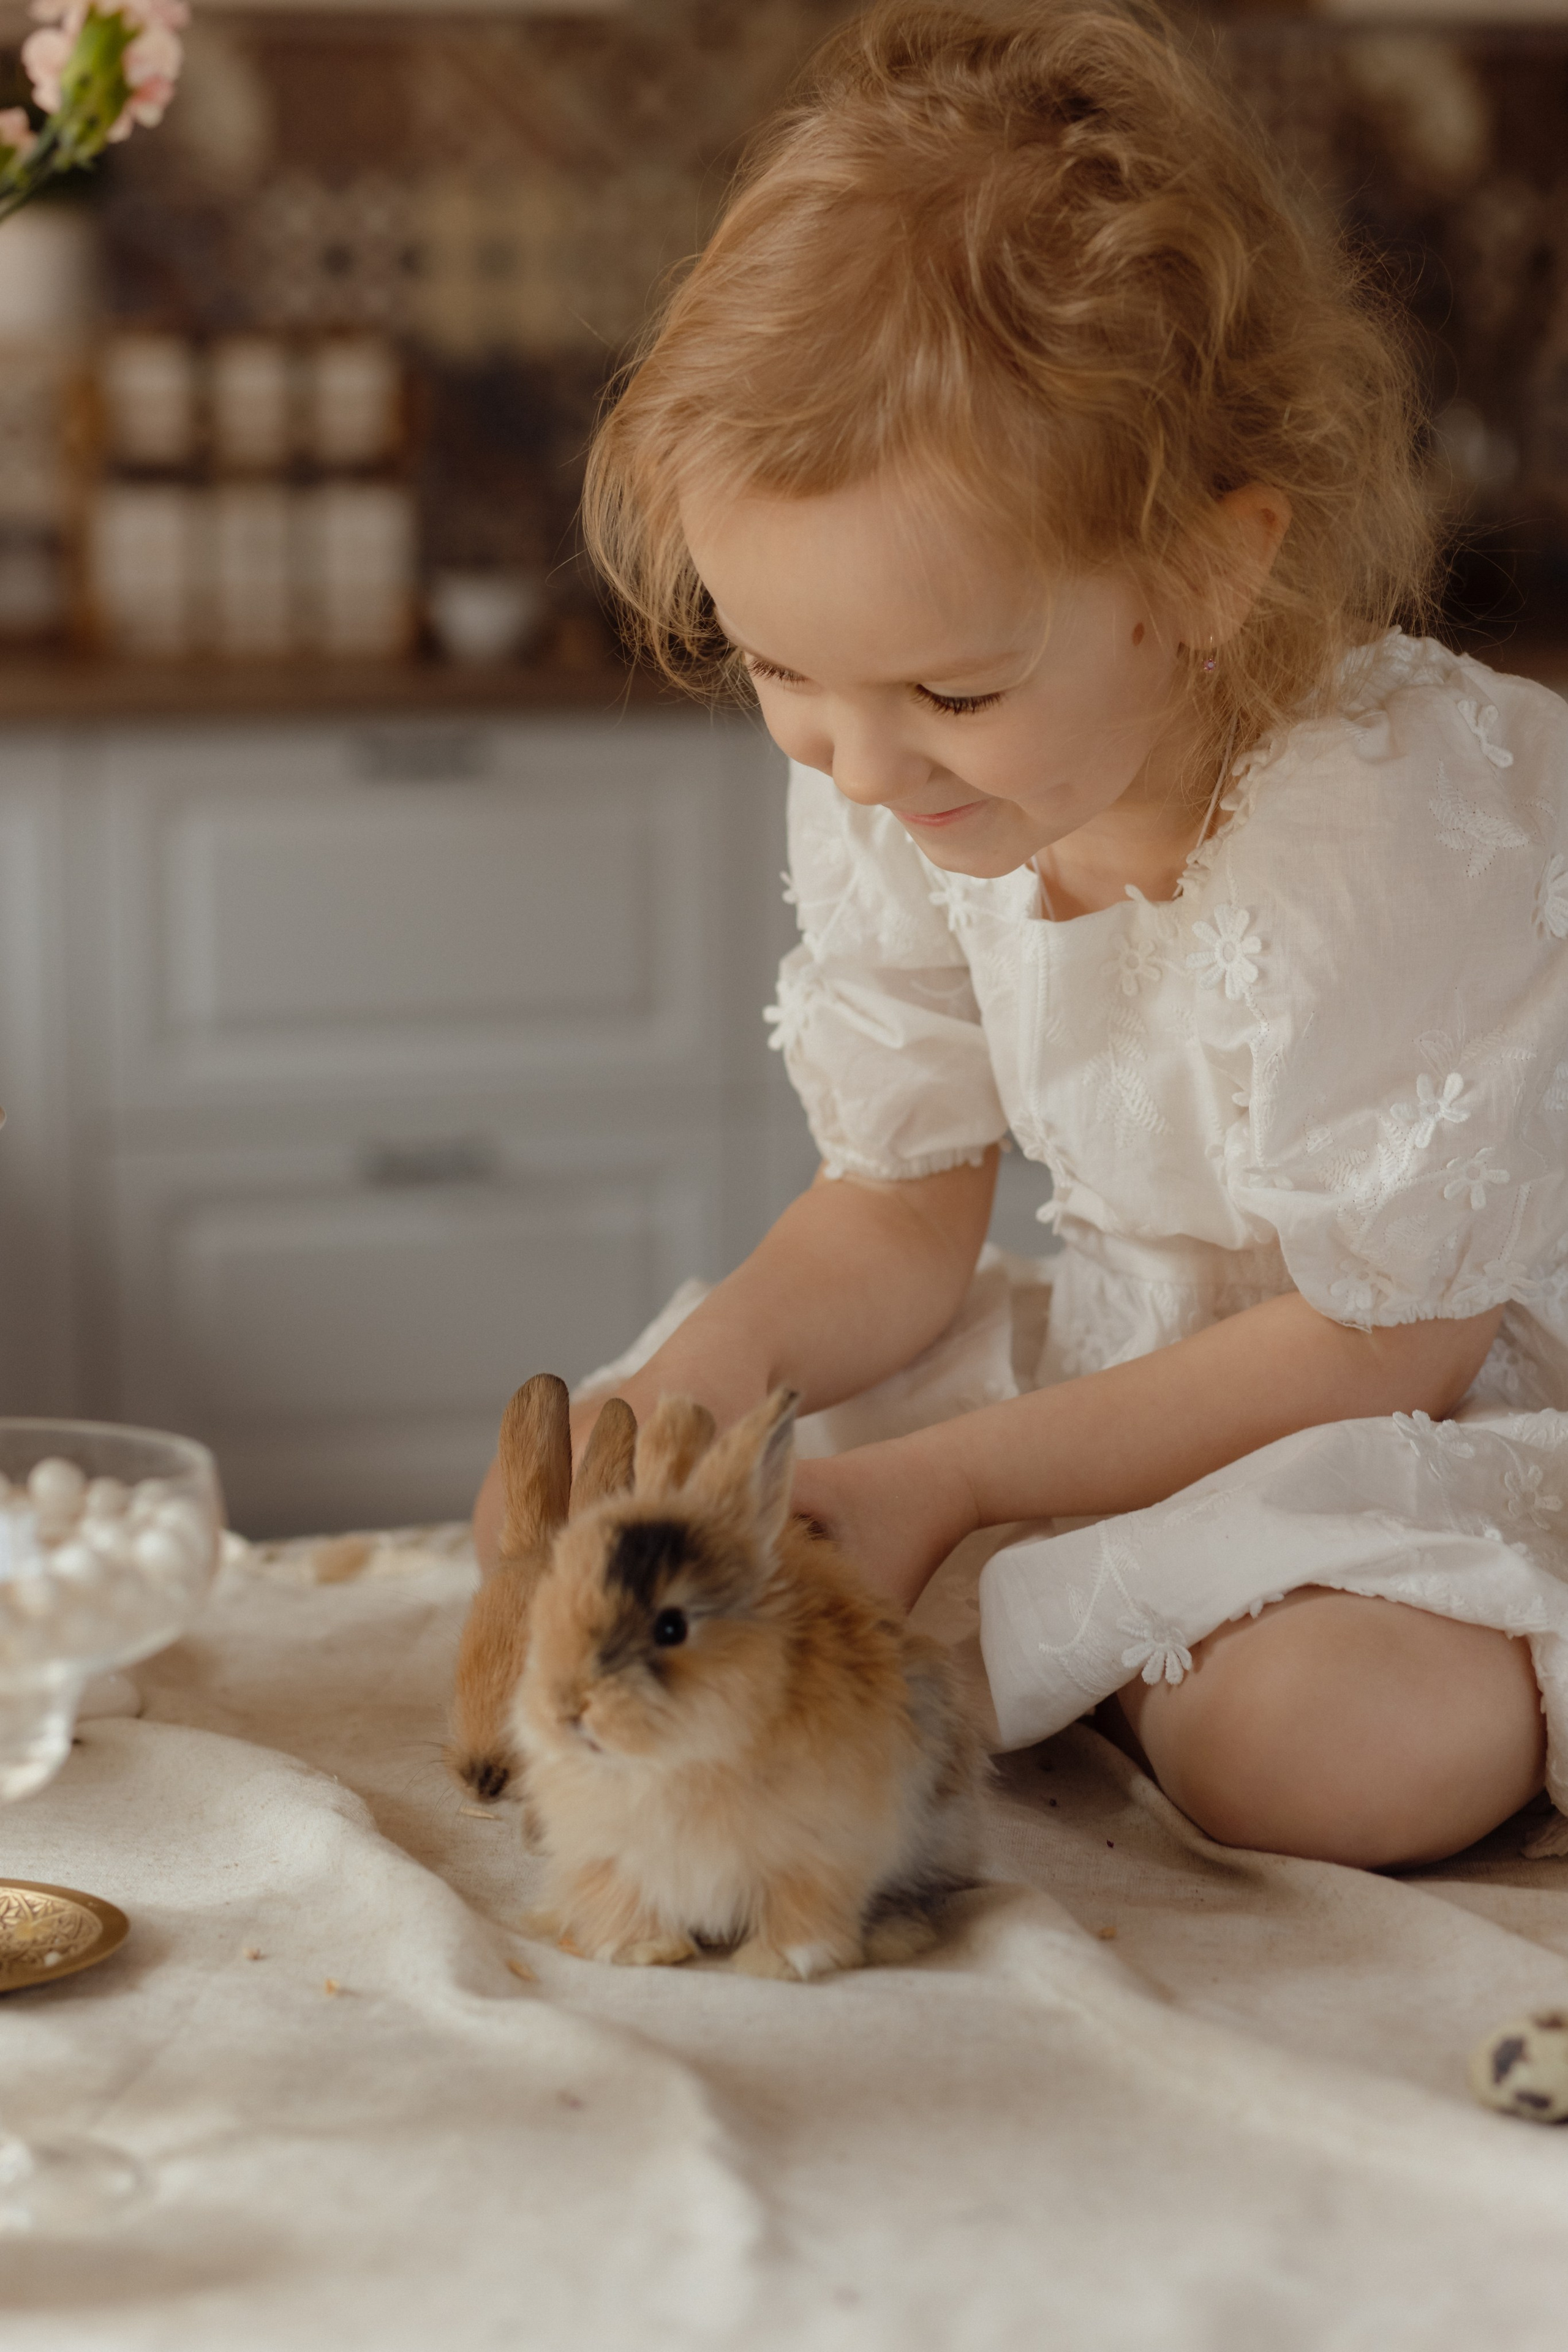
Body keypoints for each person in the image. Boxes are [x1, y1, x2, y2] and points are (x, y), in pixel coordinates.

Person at [477, 0, 1568, 1869]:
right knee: (716, 1502)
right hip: (1143, 1363)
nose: (859, 756)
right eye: (779, 670)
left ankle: (1104, 1631)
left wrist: (967, 1480)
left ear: (1209, 572)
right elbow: (896, 1213)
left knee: (1320, 1748)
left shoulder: (1380, 826)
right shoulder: (908, 762)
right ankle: (1099, 1617)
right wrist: (680, 1400)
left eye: (952, 692)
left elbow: (1385, 1347)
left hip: (1428, 1386)